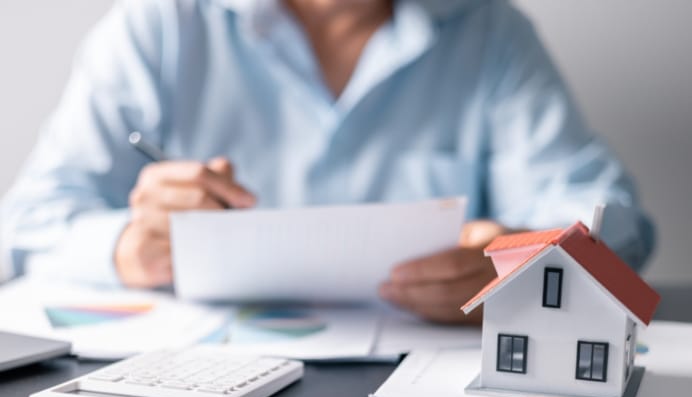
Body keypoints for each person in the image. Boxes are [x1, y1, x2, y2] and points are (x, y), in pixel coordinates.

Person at [0, 0, 654, 324]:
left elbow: (615, 222)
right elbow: (27, 222)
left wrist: (516, 265)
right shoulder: (161, 25)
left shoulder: (490, 35)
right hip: (192, 393)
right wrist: (125, 248)